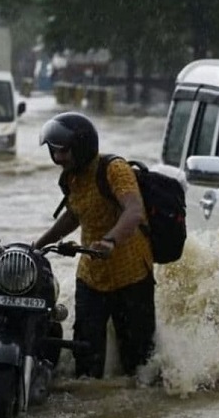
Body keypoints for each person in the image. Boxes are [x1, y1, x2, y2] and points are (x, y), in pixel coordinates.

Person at [33, 111, 155, 380]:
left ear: (82, 147)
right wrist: (37, 246)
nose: (57, 158)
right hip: (91, 276)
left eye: (62, 151)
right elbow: (75, 215)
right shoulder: (72, 177)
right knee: (86, 360)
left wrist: (111, 240)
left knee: (138, 363)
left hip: (131, 274)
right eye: (54, 151)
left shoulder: (114, 169)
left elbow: (134, 211)